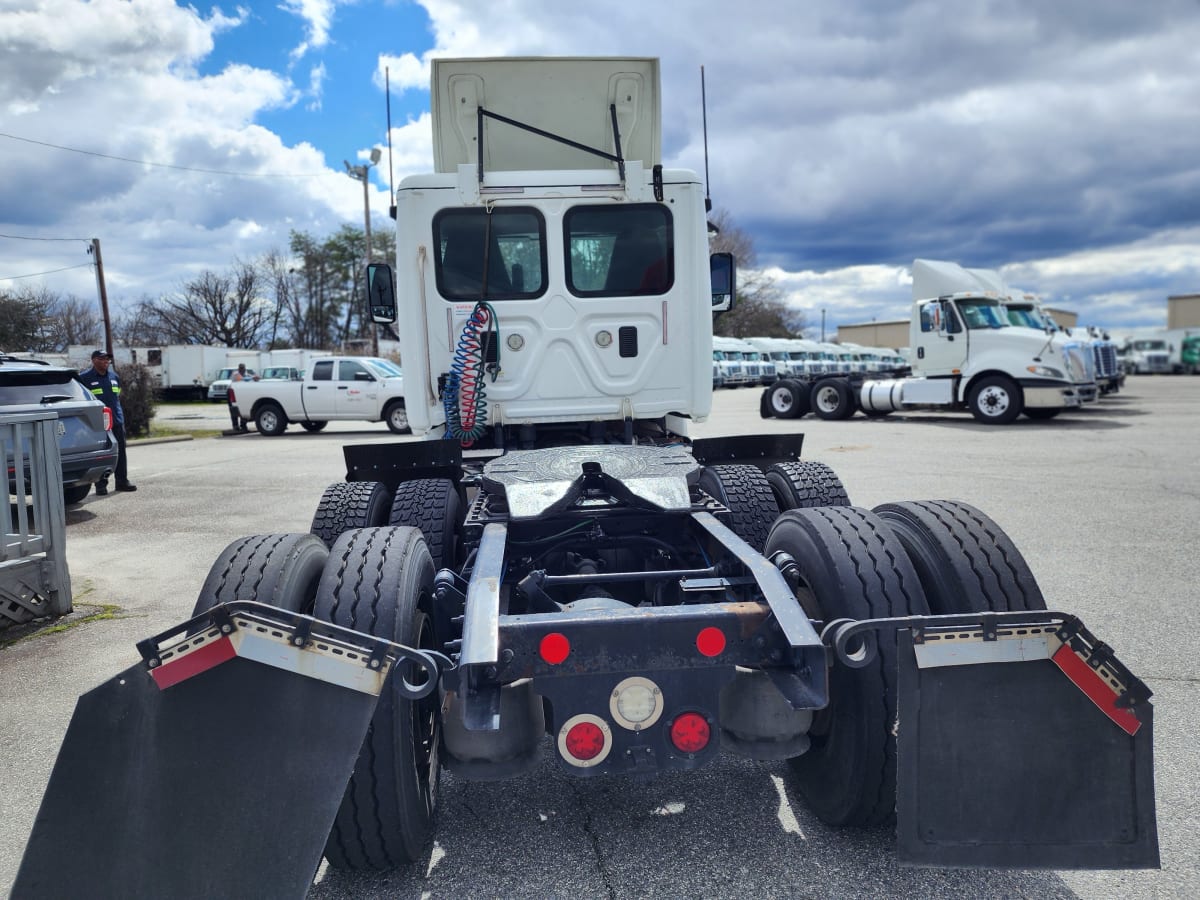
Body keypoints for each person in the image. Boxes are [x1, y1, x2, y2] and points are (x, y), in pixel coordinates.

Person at [79, 350, 136, 494]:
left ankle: (122, 481)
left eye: (107, 359)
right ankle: (101, 484)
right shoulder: (84, 378)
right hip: (98, 422)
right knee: (102, 453)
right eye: (102, 358)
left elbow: (117, 397)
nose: (106, 361)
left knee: (120, 452)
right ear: (94, 360)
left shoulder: (114, 376)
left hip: (116, 420)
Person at [228, 363, 257, 432]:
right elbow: (241, 379)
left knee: (243, 408)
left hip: (240, 393)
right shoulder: (235, 373)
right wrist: (252, 377)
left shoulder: (247, 374)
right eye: (241, 368)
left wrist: (255, 377)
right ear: (238, 369)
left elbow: (250, 378)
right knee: (234, 409)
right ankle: (235, 426)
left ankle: (243, 425)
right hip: (231, 392)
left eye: (243, 368)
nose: (242, 370)